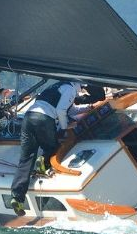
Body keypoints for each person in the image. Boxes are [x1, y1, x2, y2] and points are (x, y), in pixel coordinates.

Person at [9, 80, 84, 215]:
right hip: (44, 118)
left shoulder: (56, 86)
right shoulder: (71, 90)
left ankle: (17, 198)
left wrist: (88, 108)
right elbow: (61, 110)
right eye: (83, 87)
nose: (82, 90)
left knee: (26, 157)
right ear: (78, 85)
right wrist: (65, 127)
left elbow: (70, 109)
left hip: (28, 117)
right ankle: (43, 160)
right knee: (53, 147)